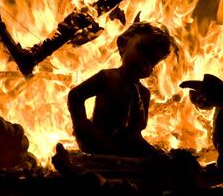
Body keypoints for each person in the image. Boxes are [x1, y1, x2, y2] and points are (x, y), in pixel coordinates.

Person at [68, 22, 173, 157]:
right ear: (123, 44)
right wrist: (81, 124)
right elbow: (76, 95)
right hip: (99, 139)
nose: (144, 64)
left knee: (160, 159)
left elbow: (138, 128)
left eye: (152, 62)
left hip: (127, 144)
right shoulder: (107, 77)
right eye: (142, 51)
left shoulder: (144, 93)